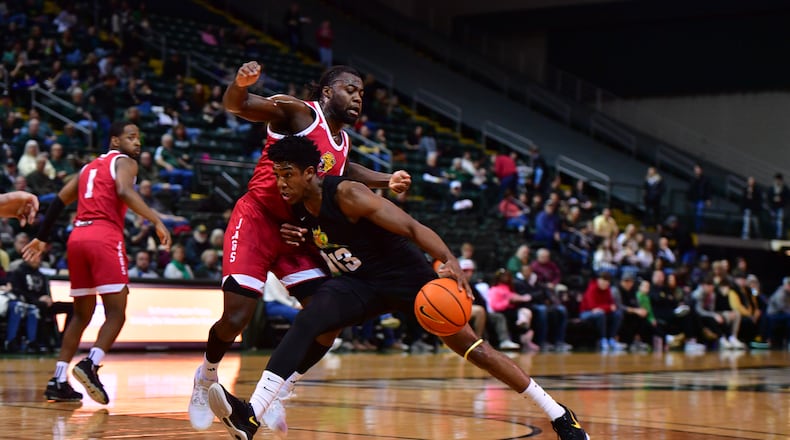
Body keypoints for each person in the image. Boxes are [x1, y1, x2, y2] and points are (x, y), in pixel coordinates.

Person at [206, 136, 590, 440]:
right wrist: (297, 231)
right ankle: (252, 415)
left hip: (411, 281)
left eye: (287, 174)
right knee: (312, 320)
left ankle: (559, 415)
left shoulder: (348, 194)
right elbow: (318, 236)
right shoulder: (298, 208)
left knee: (476, 350)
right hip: (363, 284)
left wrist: (446, 260)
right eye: (276, 174)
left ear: (310, 172)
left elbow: (410, 227)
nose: (280, 182)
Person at [188, 63, 412, 432]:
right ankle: (205, 378)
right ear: (327, 92)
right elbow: (239, 105)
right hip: (258, 218)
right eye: (350, 89)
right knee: (236, 318)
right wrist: (240, 85)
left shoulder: (342, 141)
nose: (358, 97)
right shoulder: (300, 114)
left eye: (361, 93)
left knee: (328, 319)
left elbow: (345, 169)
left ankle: (276, 392)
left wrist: (387, 180)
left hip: (297, 232)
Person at [22, 121, 172, 404]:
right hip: (104, 236)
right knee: (117, 312)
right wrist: (156, 220)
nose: (137, 143)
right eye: (131, 137)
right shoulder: (125, 162)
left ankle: (58, 378)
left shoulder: (87, 168)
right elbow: (125, 192)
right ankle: (91, 363)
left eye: (138, 138)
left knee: (81, 315)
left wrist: (42, 237)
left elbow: (58, 201)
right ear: (115, 141)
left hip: (77, 238)